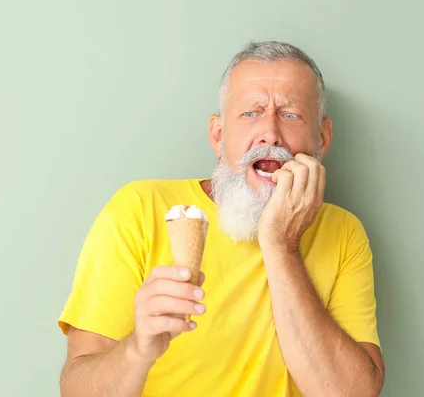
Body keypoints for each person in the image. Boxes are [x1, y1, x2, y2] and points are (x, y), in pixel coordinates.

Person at [58, 41, 385, 397]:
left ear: (322, 137)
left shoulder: (344, 233)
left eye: (291, 115)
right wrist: (138, 348)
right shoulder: (138, 210)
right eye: (250, 113)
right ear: (218, 135)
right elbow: (77, 389)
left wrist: (282, 245)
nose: (270, 134)